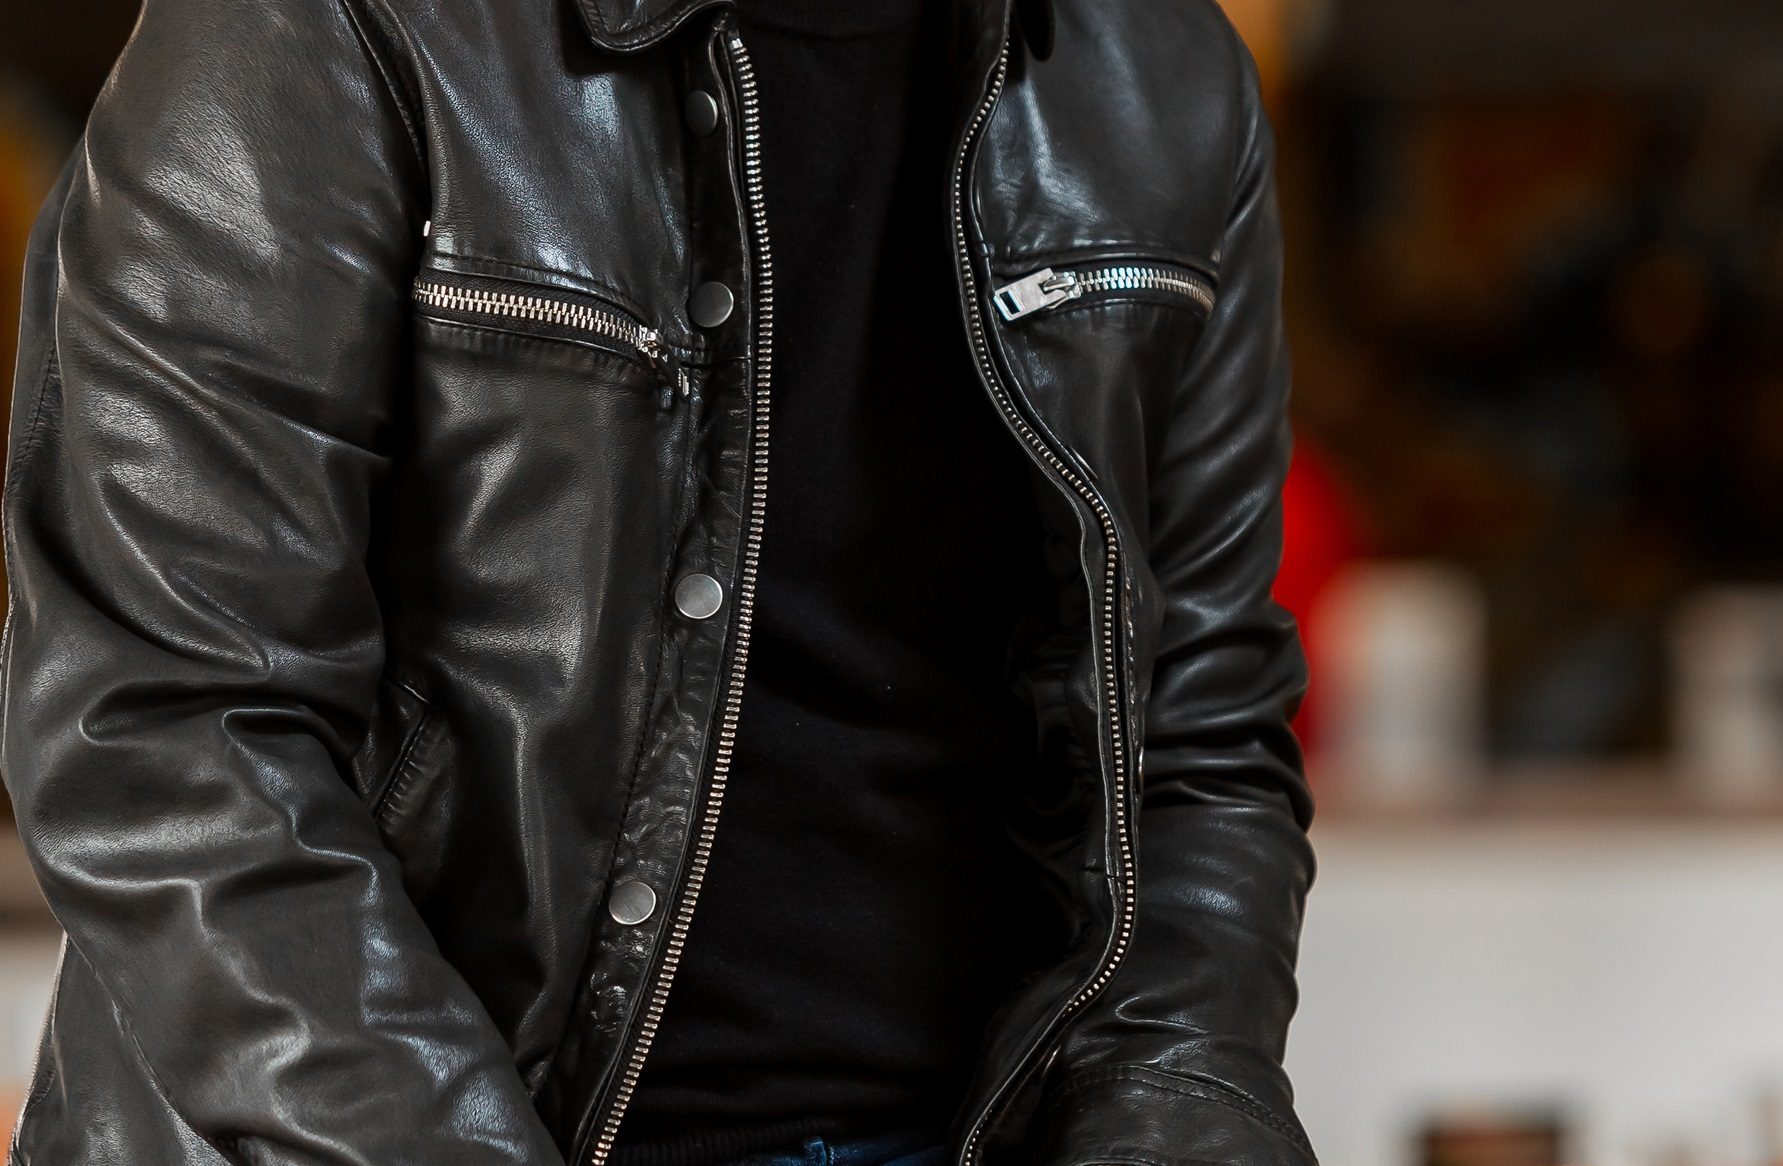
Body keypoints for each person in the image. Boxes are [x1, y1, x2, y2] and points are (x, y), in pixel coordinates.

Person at [0, 0, 1318, 1162]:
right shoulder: (332, 21)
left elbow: (1194, 736)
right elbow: (166, 726)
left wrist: (1179, 1115)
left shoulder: (1163, 71)